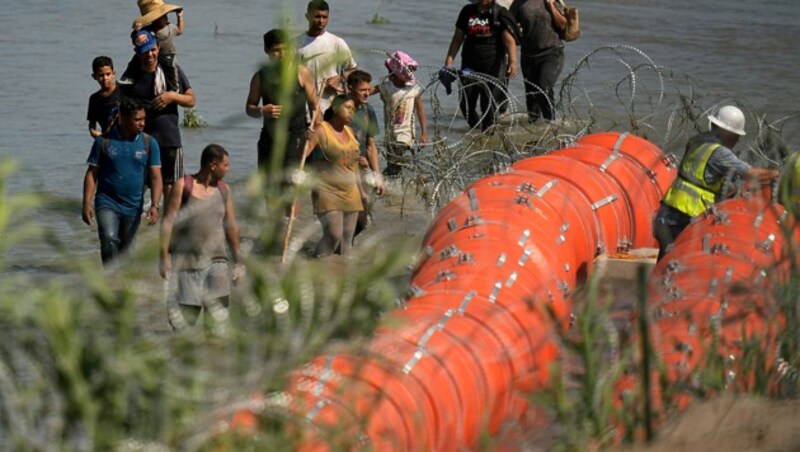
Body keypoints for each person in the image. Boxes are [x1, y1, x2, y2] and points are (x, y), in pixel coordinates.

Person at [653, 105, 780, 260]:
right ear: (727, 132)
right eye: (735, 134)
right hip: (683, 217)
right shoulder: (719, 153)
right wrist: (779, 174)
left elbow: (703, 177)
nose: (738, 139)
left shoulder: (697, 142)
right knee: (678, 264)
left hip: (667, 213)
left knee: (665, 265)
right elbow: (751, 174)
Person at [159, 144, 243, 330]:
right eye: (225, 165)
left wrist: (238, 262)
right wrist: (163, 257)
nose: (228, 169)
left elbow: (231, 226)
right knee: (184, 323)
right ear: (213, 165)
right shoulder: (183, 185)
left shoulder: (224, 190)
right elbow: (168, 222)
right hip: (186, 263)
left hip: (217, 262)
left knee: (217, 323)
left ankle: (213, 356)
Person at [82, 99, 163, 266]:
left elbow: (156, 177)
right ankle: (110, 278)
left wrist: (155, 205)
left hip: (133, 206)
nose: (142, 123)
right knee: (110, 239)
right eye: (137, 119)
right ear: (123, 118)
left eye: (144, 119)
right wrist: (86, 202)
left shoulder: (149, 143)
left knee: (128, 253)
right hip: (107, 202)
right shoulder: (103, 142)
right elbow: (92, 174)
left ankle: (121, 285)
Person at [121, 29, 195, 203]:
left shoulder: (171, 70)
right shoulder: (131, 77)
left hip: (169, 140)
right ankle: (137, 227)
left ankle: (168, 227)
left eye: (152, 49)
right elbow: (121, 110)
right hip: (141, 141)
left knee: (171, 189)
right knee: (137, 185)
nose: (150, 54)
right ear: (137, 53)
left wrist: (172, 96)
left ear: (158, 48)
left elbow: (191, 100)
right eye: (145, 51)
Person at [246, 28, 319, 187]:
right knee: (268, 187)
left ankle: (291, 213)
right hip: (269, 139)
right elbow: (249, 108)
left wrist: (316, 133)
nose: (282, 55)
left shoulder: (301, 73)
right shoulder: (260, 77)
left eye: (286, 49)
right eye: (276, 51)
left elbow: (315, 106)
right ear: (266, 50)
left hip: (296, 138)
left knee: (291, 189)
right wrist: (262, 111)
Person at [302, 94, 366, 257]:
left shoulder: (350, 132)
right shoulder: (321, 130)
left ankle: (345, 278)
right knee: (333, 236)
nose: (352, 112)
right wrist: (304, 141)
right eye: (348, 108)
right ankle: (315, 267)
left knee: (347, 242)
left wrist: (362, 191)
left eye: (353, 109)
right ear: (336, 108)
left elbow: (354, 166)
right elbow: (303, 157)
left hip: (351, 192)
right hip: (327, 190)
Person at [444, 0, 519, 132]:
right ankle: (476, 133)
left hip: (493, 67)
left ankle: (488, 137)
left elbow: (509, 41)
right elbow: (457, 38)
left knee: (488, 105)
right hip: (469, 66)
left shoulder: (500, 13)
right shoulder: (467, 11)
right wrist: (448, 62)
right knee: (466, 105)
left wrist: (513, 62)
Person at [297, 0, 358, 116]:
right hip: (301, 108)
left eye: (325, 17)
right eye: (317, 16)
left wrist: (339, 79)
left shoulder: (336, 42)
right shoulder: (296, 43)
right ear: (307, 16)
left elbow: (353, 69)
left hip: (329, 106)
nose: (321, 21)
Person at [510, 0, 567, 123]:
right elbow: (509, 25)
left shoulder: (553, 1)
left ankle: (551, 123)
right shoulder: (519, 3)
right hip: (528, 55)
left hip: (552, 52)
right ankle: (533, 127)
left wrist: (551, 5)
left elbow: (563, 25)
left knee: (544, 86)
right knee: (531, 96)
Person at [346, 70, 384, 239]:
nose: (367, 94)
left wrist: (377, 175)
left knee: (364, 220)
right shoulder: (341, 109)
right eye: (362, 90)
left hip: (362, 167)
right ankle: (336, 251)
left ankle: (340, 251)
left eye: (368, 90)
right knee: (347, 214)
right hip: (343, 169)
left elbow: (371, 146)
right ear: (350, 88)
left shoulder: (368, 111)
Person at [378, 51, 429, 176]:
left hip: (406, 133)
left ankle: (386, 181)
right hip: (390, 134)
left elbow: (420, 111)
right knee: (393, 163)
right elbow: (367, 91)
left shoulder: (412, 90)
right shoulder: (386, 87)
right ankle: (393, 183)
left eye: (391, 71)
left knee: (397, 157)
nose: (389, 74)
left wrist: (424, 133)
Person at [124, 0, 185, 92]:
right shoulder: (147, 30)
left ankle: (174, 88)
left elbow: (180, 30)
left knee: (172, 70)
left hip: (168, 54)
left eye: (166, 15)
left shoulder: (170, 27)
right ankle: (127, 77)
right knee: (134, 61)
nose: (166, 18)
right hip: (151, 53)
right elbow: (136, 39)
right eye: (164, 16)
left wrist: (180, 17)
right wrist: (136, 31)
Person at [87, 56, 123, 138]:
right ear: (94, 76)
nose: (105, 78)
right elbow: (92, 122)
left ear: (113, 74)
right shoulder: (94, 99)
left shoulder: (123, 92)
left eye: (108, 74)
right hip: (106, 138)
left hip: (124, 137)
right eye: (101, 75)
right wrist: (93, 132)